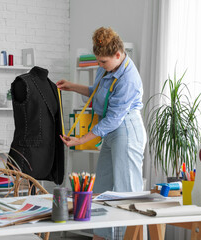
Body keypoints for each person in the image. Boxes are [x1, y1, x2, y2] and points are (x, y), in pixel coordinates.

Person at [57, 27, 147, 240]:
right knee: (103, 188)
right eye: (98, 61)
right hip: (112, 131)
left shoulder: (128, 79)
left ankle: (130, 237)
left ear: (118, 54)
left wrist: (81, 139)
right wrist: (71, 86)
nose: (100, 66)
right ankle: (102, 236)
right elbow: (97, 91)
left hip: (126, 129)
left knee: (127, 192)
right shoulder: (107, 67)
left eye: (103, 62)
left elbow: (112, 119)